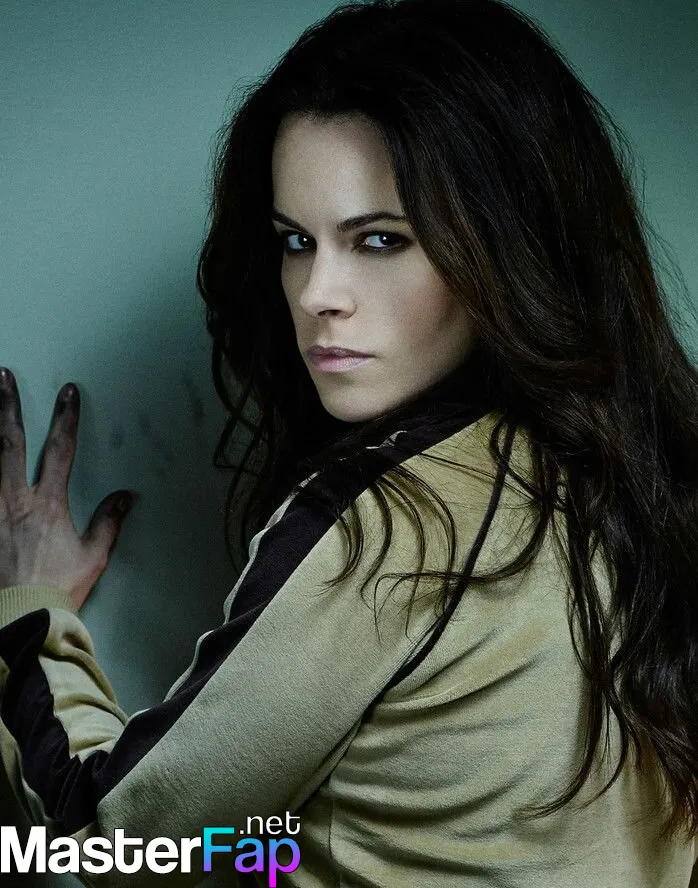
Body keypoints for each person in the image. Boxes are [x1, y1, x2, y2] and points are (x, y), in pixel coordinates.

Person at [0, 0, 697, 884]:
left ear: (508, 244)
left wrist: (31, 611)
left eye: (379, 239)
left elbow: (108, 840)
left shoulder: (389, 524)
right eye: (297, 241)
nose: (316, 293)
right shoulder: (642, 485)